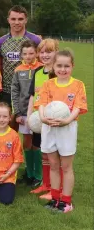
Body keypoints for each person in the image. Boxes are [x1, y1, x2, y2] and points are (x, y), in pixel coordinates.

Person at [35, 49, 87, 213]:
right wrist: (43, 118)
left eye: (66, 66)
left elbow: (78, 107)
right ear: (53, 66)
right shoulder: (48, 84)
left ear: (72, 66)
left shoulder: (78, 85)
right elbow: (41, 104)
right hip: (49, 128)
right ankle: (55, 198)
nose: (62, 69)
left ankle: (66, 201)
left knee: (66, 166)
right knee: (54, 165)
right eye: (59, 65)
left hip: (67, 129)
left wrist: (67, 120)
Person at [0, 5, 41, 129]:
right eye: (13, 19)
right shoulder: (0, 42)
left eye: (20, 19)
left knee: (33, 128)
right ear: (8, 20)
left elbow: (43, 66)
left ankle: (31, 149)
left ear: (26, 20)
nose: (17, 22)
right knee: (8, 126)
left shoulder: (35, 40)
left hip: (31, 92)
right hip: (8, 91)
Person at [27, 38, 61, 200]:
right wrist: (28, 117)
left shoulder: (59, 72)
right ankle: (45, 184)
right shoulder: (38, 72)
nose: (45, 55)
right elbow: (32, 95)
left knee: (54, 155)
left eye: (49, 51)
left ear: (56, 52)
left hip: (53, 121)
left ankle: (56, 187)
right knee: (43, 153)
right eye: (42, 52)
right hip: (38, 120)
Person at [11, 40, 42, 186]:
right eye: (25, 54)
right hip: (24, 114)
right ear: (21, 55)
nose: (28, 56)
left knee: (39, 144)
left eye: (31, 53)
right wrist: (17, 113)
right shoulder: (18, 70)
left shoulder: (42, 69)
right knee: (27, 143)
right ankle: (29, 173)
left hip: (40, 113)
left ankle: (38, 174)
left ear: (36, 53)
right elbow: (14, 92)